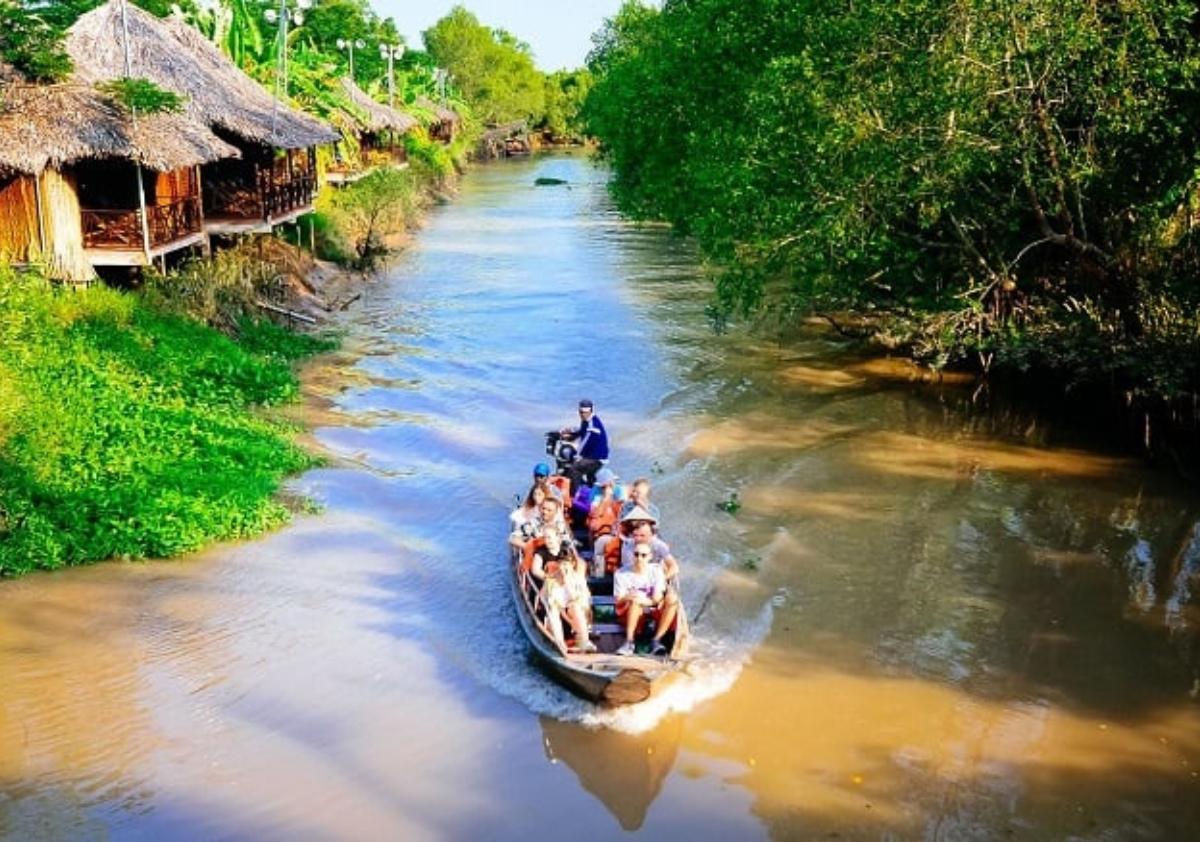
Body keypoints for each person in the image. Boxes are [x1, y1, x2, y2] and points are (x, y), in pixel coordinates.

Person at [614, 541, 679, 657]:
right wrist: (630, 598)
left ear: (650, 557)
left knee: (672, 599)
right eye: (636, 554)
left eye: (643, 555)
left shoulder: (656, 570)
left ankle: (657, 640)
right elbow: (618, 600)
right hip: (631, 610)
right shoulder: (621, 573)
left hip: (652, 607)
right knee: (635, 601)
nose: (639, 558)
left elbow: (657, 598)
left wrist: (643, 600)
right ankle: (629, 642)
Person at [540, 552, 596, 656]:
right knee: (553, 612)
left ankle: (584, 642)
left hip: (575, 614)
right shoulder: (550, 580)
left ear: (572, 565)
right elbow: (543, 598)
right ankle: (560, 644)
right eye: (561, 564)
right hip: (558, 614)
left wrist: (567, 580)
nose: (563, 567)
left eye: (566, 564)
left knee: (575, 607)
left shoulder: (578, 579)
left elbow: (576, 597)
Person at [560, 399, 608, 490]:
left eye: (586, 412)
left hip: (596, 458)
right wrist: (570, 433)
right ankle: (590, 488)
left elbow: (584, 443)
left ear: (591, 411)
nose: (583, 415)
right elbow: (582, 431)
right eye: (581, 412)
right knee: (588, 475)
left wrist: (577, 457)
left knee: (574, 469)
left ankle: (576, 495)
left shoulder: (593, 426)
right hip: (591, 455)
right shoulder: (586, 421)